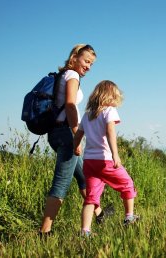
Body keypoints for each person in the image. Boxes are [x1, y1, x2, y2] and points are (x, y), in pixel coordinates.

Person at [40, 44, 106, 235]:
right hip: (66, 134)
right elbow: (70, 105)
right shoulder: (72, 76)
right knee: (61, 183)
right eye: (86, 61)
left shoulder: (62, 75)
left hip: (56, 132)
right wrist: (77, 132)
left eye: (91, 64)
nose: (88, 66)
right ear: (75, 57)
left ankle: (99, 214)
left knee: (83, 177)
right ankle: (45, 231)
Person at [73, 80, 138, 236]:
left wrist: (75, 146)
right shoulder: (109, 110)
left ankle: (85, 232)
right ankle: (129, 217)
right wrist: (115, 154)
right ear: (108, 97)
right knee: (127, 184)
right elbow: (110, 131)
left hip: (89, 162)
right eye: (115, 98)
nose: (116, 102)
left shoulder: (87, 115)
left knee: (91, 198)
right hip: (105, 160)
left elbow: (78, 134)